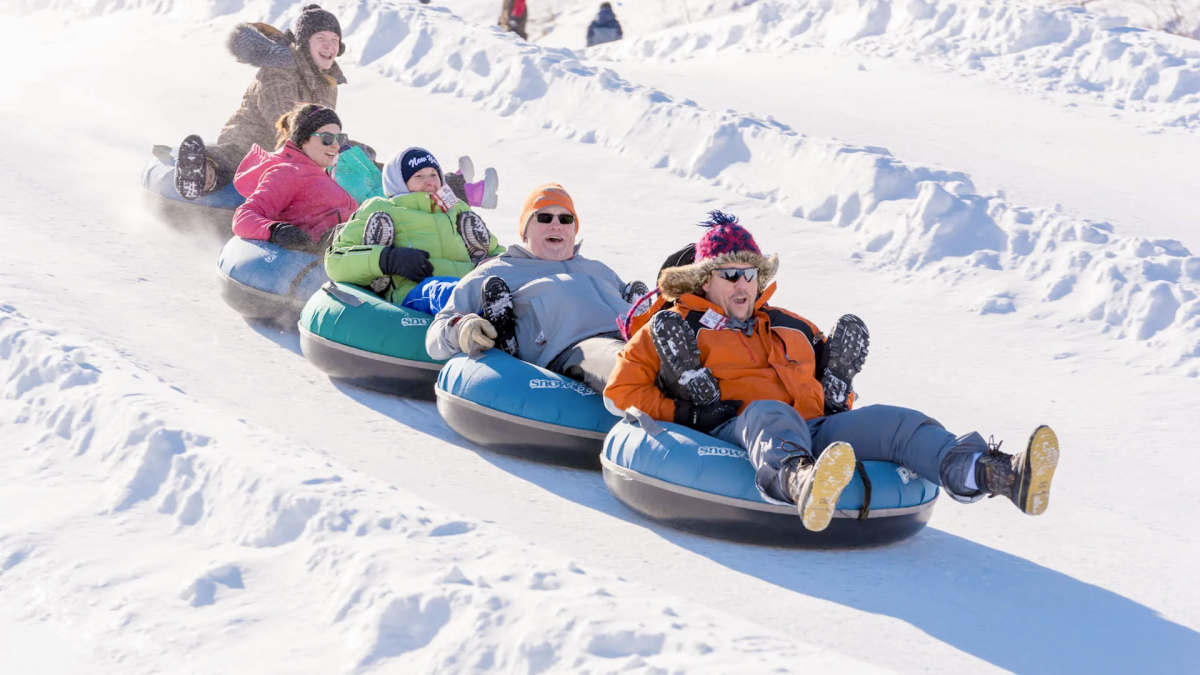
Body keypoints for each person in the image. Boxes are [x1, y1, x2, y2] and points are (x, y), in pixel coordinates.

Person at [605, 212, 1060, 532]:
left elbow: (815, 395)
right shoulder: (675, 325)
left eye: (750, 273)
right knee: (768, 410)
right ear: (706, 280)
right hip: (736, 425)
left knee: (894, 420)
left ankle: (992, 473)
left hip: (813, 426)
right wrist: (687, 413)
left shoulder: (791, 325)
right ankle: (799, 481)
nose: (743, 283)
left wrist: (837, 398)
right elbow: (619, 391)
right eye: (729, 274)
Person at [426, 184, 647, 393]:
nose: (556, 224)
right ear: (524, 231)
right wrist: (462, 328)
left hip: (636, 336)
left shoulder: (600, 270)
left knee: (663, 350)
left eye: (565, 218)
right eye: (544, 217)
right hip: (578, 347)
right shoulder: (498, 270)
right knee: (632, 365)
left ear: (573, 230)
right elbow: (435, 338)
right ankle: (506, 339)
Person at [175, 5, 362, 200]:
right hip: (251, 141)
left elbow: (325, 130)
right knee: (238, 159)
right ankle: (203, 172)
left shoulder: (328, 83)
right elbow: (284, 119)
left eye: (334, 40)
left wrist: (354, 151)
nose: (329, 45)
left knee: (353, 160)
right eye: (321, 39)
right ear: (305, 44)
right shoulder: (279, 70)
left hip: (293, 153)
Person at [325, 148, 504, 315]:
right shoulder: (381, 208)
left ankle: (498, 318)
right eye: (418, 176)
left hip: (469, 287)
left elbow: (497, 250)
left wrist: (499, 264)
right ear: (399, 182)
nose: (430, 181)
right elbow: (335, 262)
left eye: (434, 174)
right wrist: (388, 259)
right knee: (442, 289)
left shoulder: (456, 208)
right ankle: (379, 275)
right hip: (416, 294)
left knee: (496, 288)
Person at [231, 104, 357, 252]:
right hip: (324, 251)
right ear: (303, 140)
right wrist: (277, 230)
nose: (335, 146)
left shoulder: (326, 173)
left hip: (348, 244)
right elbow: (243, 217)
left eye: (340, 138)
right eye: (327, 138)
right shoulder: (288, 172)